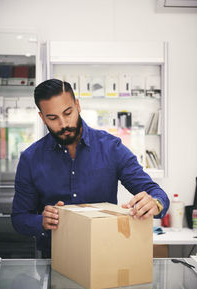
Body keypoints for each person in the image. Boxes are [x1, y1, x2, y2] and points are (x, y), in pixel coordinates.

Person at [11, 79, 169, 258]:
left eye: (68, 113)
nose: (63, 124)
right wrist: (41, 221)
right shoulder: (31, 159)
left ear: (77, 105)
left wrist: (155, 203)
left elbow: (156, 192)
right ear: (42, 117)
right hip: (55, 260)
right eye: (53, 118)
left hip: (105, 257)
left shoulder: (111, 148)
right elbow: (19, 218)